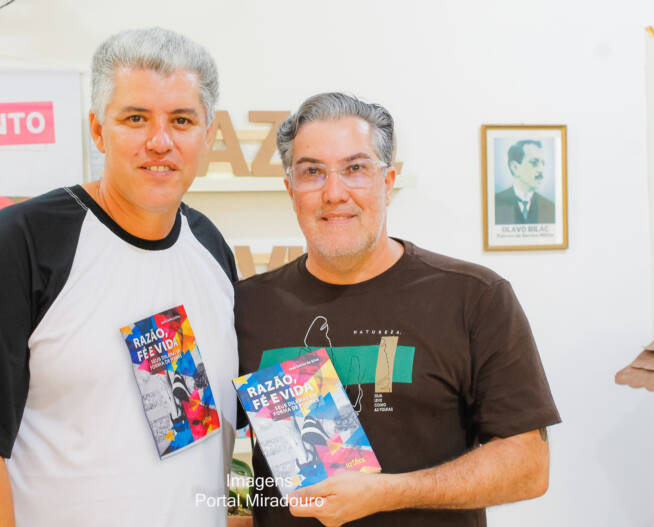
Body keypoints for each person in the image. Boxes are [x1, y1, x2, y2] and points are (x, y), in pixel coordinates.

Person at [0, 28, 239, 527]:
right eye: (136, 118)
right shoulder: (24, 241)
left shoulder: (209, 246)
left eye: (182, 120)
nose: (159, 141)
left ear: (207, 136)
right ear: (98, 130)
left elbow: (197, 438)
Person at [235, 93, 560, 527]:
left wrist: (388, 493)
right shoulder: (247, 306)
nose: (334, 193)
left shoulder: (474, 297)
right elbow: (191, 444)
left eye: (355, 168)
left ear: (387, 182)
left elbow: (528, 467)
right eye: (312, 172)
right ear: (291, 190)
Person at [494, 139, 555, 224]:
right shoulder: (495, 204)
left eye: (543, 163)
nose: (541, 170)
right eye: (534, 162)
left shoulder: (550, 207)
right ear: (515, 168)